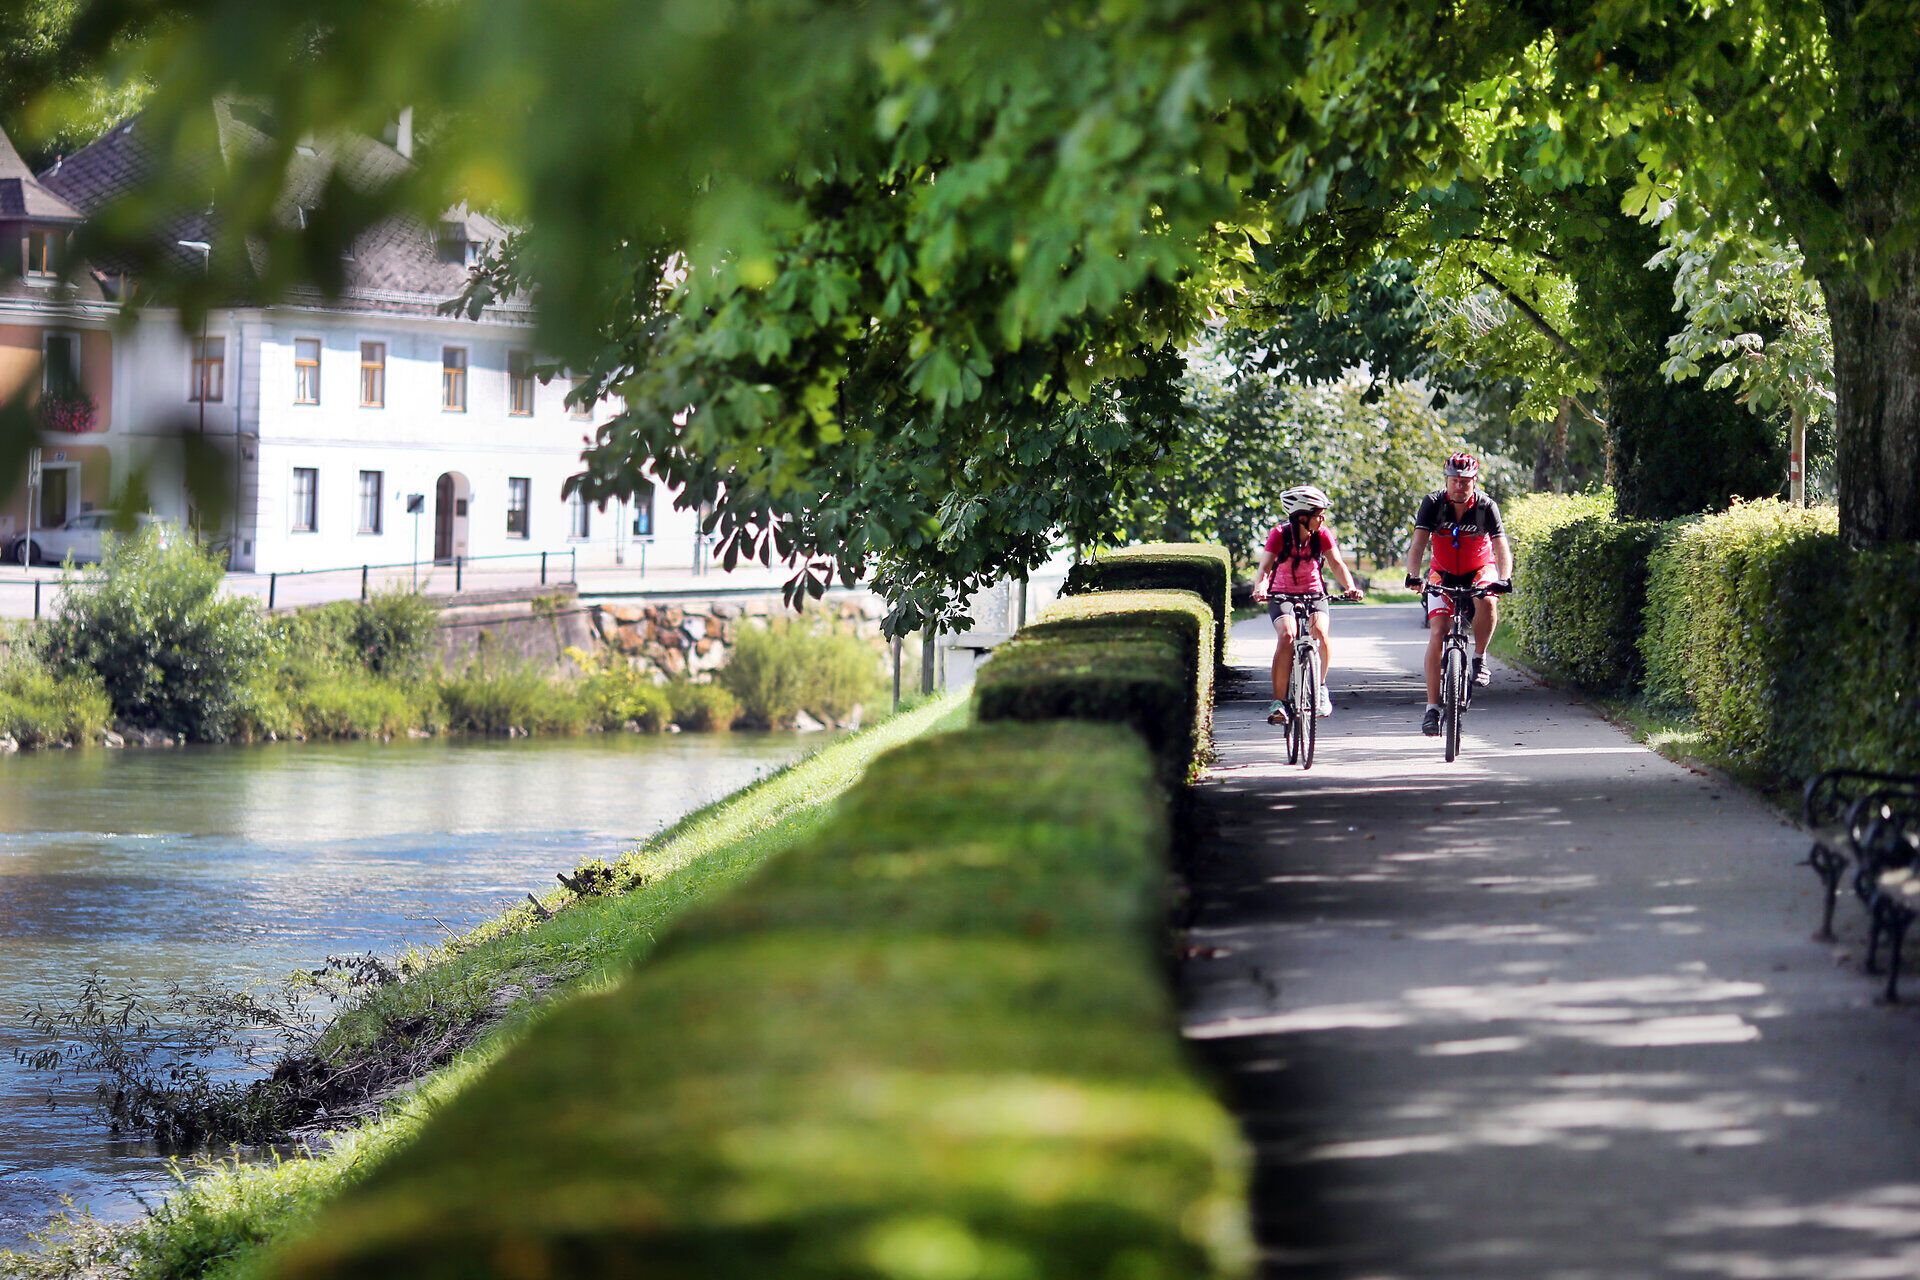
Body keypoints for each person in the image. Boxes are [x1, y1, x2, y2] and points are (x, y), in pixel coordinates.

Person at [1403, 452, 1512, 737]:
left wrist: (1504, 578)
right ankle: (1431, 708)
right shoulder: (1433, 503)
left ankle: (1479, 657)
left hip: (1479, 568)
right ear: (1447, 481)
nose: (1459, 487)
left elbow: (1501, 547)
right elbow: (1417, 544)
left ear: (1474, 481)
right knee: (1438, 631)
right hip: (1442, 572)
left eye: (1465, 481)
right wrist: (1413, 576)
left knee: (1487, 598)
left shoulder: (1486, 506)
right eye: (1454, 481)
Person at [1252, 484, 1364, 726]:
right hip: (1281, 594)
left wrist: (1350, 587)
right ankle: (1279, 703)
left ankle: (1320, 688)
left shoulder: (1323, 534)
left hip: (1314, 593)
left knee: (1321, 633)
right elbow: (1265, 568)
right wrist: (1261, 588)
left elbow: (1336, 564)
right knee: (1287, 636)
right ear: (1301, 516)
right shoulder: (1279, 534)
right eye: (1317, 514)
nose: (1322, 519)